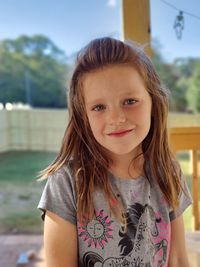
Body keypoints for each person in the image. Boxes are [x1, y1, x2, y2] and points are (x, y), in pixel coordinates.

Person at [38, 37, 192, 267]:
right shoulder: (66, 181)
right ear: (84, 116)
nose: (116, 118)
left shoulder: (168, 173)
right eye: (99, 107)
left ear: (153, 103)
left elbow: (178, 260)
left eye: (130, 101)